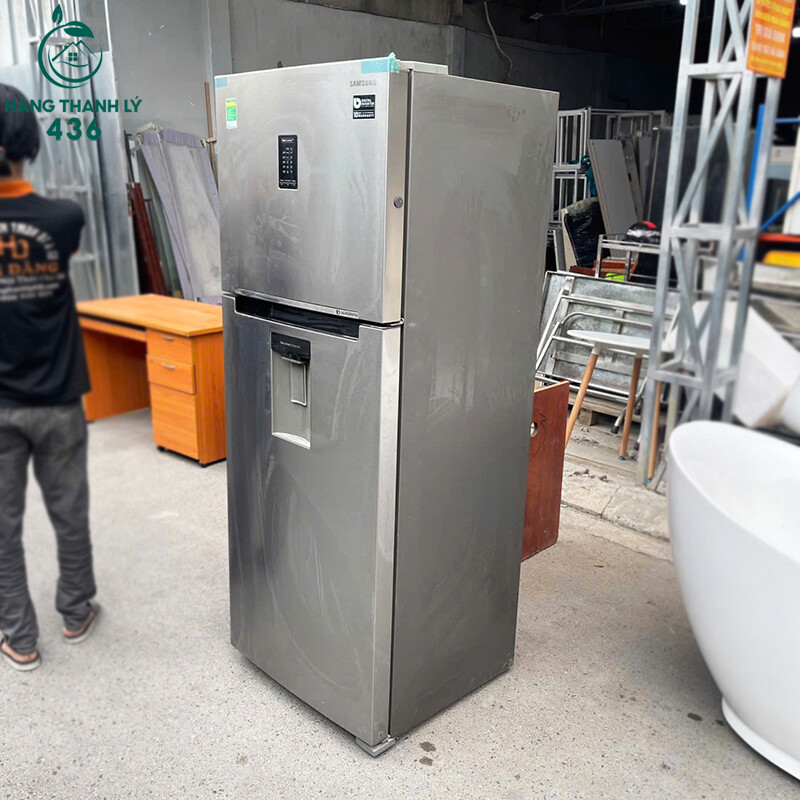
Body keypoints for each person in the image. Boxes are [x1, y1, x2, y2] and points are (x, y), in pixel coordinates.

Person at [0, 83, 99, 672]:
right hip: (59, 398)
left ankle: (19, 637)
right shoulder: (65, 218)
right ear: (30, 144)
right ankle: (76, 610)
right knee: (69, 510)